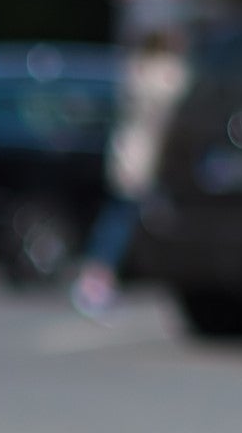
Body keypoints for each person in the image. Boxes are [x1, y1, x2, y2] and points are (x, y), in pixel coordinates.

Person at [80, 24, 191, 321]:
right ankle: (98, 278)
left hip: (128, 153)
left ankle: (102, 276)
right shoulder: (166, 74)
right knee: (123, 218)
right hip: (146, 158)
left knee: (126, 216)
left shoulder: (135, 70)